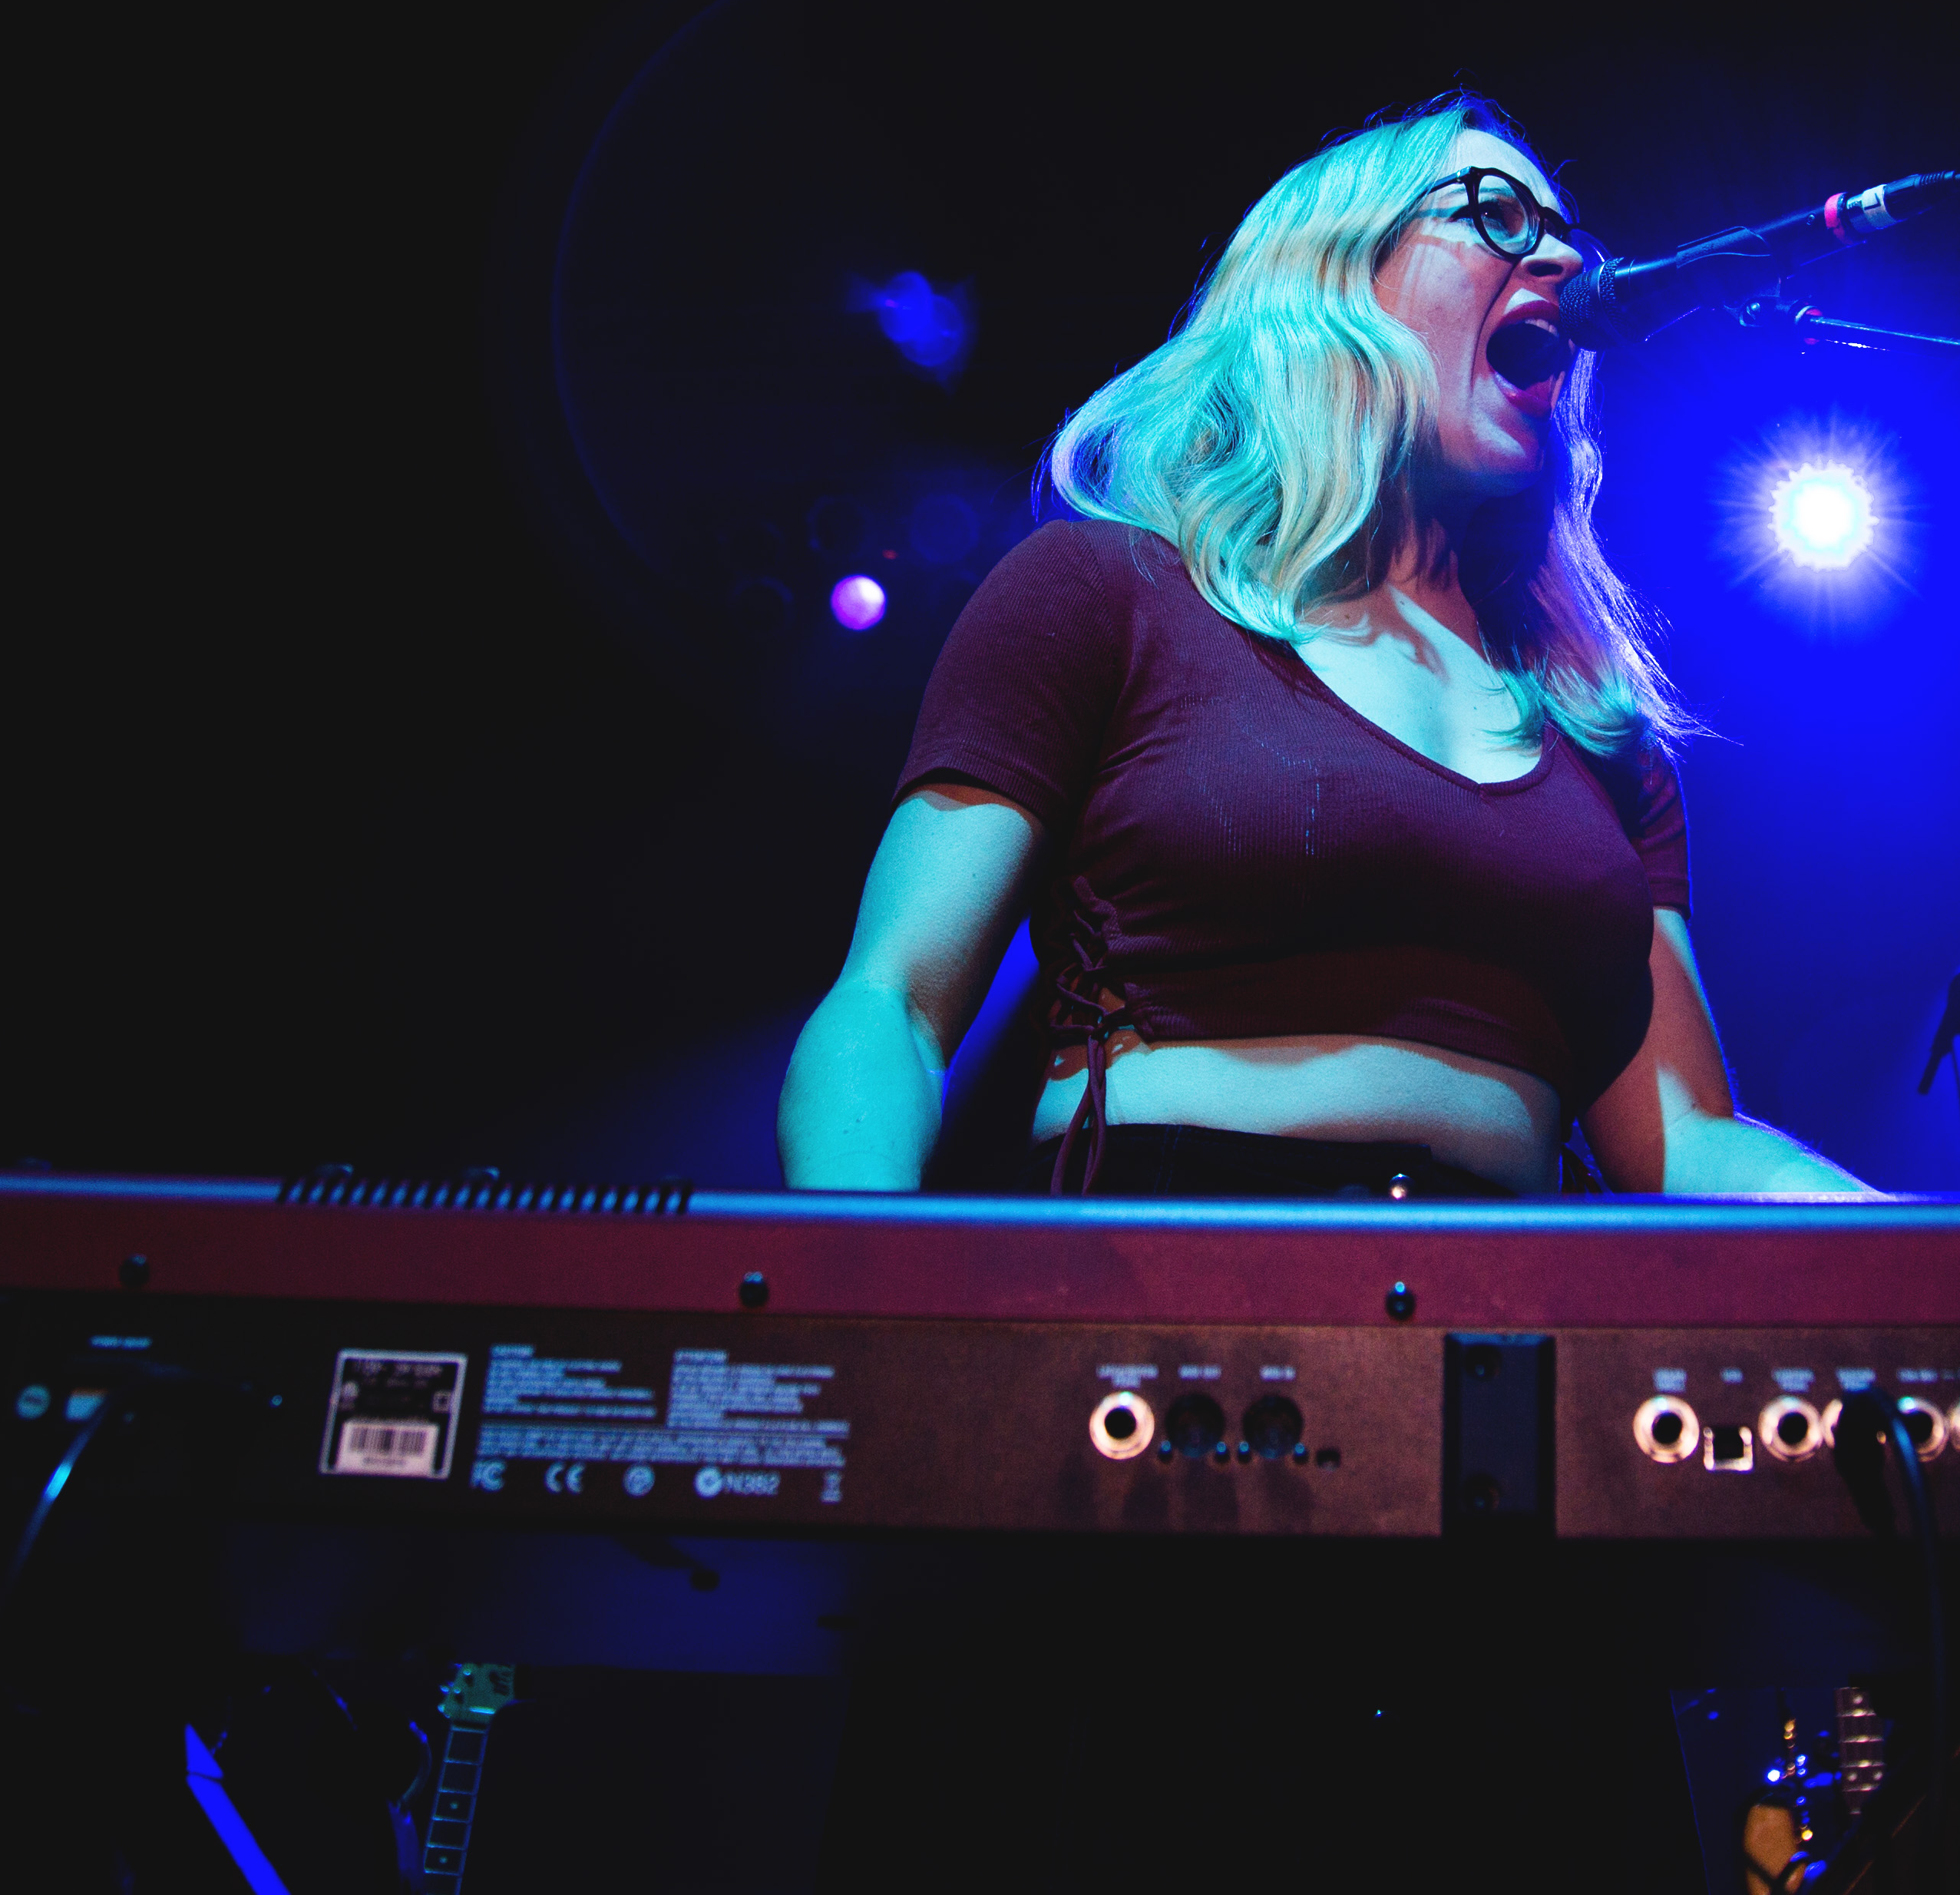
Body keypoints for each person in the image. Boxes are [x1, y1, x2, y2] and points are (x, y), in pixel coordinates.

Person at [778, 92, 1867, 1200]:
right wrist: (849, 1279)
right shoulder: (1108, 592)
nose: (1557, 257)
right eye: (1496, 215)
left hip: (1512, 1280)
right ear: (1331, 273)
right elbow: (892, 1006)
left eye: (1560, 231)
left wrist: (1931, 1249)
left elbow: (1686, 1141)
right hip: (1165, 1247)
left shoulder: (1594, 724)